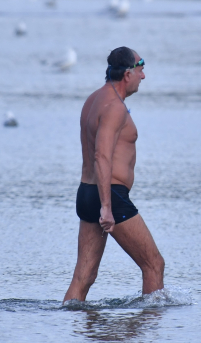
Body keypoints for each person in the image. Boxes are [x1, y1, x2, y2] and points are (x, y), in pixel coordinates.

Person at [63, 47, 165, 303]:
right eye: (141, 70)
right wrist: (107, 208)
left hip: (87, 192)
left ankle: (72, 326)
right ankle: (151, 327)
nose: (144, 77)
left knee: (83, 277)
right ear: (127, 74)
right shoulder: (115, 108)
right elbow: (102, 155)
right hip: (109, 195)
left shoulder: (93, 100)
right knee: (153, 265)